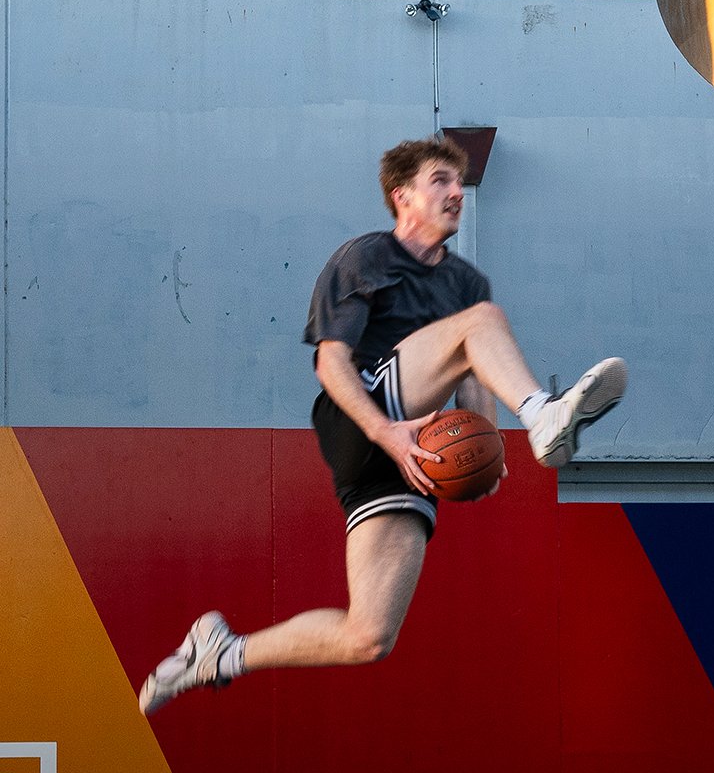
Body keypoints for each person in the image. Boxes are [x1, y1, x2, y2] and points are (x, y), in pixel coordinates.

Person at [138, 135, 626, 715]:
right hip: (363, 414)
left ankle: (219, 654)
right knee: (483, 322)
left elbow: (473, 382)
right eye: (438, 181)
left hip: (412, 449)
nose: (454, 193)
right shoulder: (366, 258)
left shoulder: (466, 283)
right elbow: (330, 362)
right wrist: (384, 431)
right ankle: (544, 414)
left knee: (368, 636)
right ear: (402, 197)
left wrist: (488, 454)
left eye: (457, 183)